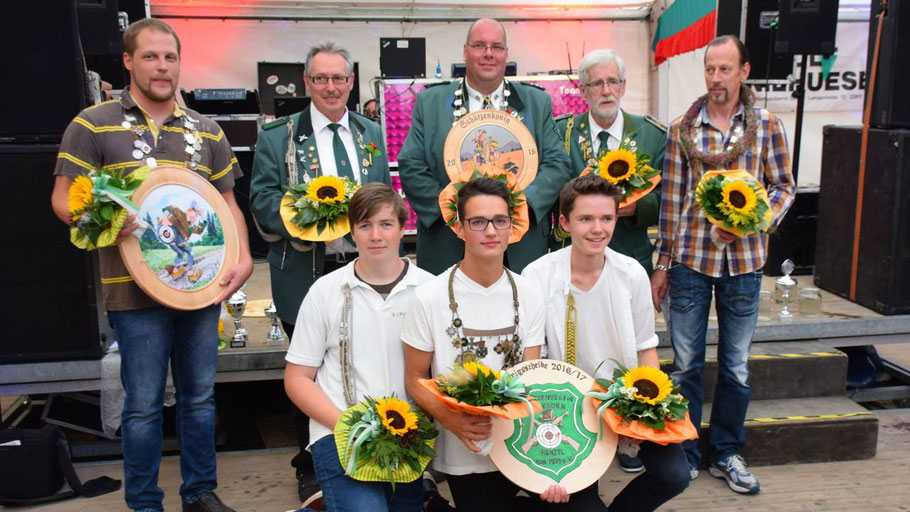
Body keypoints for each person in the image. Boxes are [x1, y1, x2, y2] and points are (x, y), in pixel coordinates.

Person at [50, 18, 252, 512]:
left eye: (170, 57)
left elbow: (229, 205)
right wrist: (104, 221)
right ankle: (144, 503)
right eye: (150, 56)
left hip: (200, 288)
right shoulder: (92, 124)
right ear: (127, 61)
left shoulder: (207, 130)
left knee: (200, 401)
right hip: (131, 292)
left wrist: (243, 257)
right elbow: (61, 199)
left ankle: (199, 494)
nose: (162, 67)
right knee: (141, 408)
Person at [651, 35, 795, 495]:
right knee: (687, 365)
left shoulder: (768, 125)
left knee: (736, 367)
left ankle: (728, 452)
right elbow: (671, 201)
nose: (716, 78)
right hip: (690, 261)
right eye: (710, 69)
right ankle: (688, 452)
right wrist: (662, 264)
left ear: (745, 71)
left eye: (725, 69)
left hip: (746, 263)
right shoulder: (682, 128)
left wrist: (754, 222)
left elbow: (784, 188)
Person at [249, 40, 391, 502]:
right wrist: (312, 214)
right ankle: (310, 461)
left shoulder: (371, 131)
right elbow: (263, 204)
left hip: (365, 267)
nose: (332, 87)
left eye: (340, 78)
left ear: (352, 83)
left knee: (369, 361)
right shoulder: (279, 136)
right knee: (307, 369)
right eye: (322, 78)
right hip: (304, 271)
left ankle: (375, 448)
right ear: (307, 82)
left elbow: (384, 198)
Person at [402, 177, 576, 510]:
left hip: (522, 441)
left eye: (500, 220)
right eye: (478, 222)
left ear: (513, 226)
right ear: (459, 228)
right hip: (466, 447)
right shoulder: (429, 298)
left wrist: (552, 456)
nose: (491, 231)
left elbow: (531, 376)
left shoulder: (529, 293)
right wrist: (450, 419)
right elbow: (415, 379)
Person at [523, 175, 690, 511]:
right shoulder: (538, 276)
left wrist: (647, 409)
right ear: (565, 223)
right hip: (566, 405)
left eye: (606, 218)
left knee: (675, 475)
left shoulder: (630, 273)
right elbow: (532, 360)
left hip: (624, 398)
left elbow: (645, 347)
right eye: (586, 219)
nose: (597, 229)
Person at [284, 183, 434, 511]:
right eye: (365, 226)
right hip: (339, 432)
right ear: (352, 232)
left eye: (385, 224)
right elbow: (296, 378)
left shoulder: (429, 290)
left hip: (405, 438)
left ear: (402, 227)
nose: (375, 235)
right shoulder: (325, 291)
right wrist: (348, 427)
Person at [397, 18, 571, 275]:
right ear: (465, 51)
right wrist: (453, 210)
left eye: (496, 47)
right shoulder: (430, 101)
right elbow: (411, 165)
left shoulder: (537, 102)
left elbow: (557, 164)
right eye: (480, 45)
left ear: (506, 54)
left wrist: (521, 205)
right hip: (448, 244)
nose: (488, 53)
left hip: (521, 247)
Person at [554, 49, 666, 277]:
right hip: (573, 263)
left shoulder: (651, 134)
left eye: (612, 82)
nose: (606, 91)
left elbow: (669, 200)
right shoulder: (562, 132)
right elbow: (549, 189)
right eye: (596, 83)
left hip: (630, 261)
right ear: (583, 91)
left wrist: (637, 207)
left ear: (623, 86)